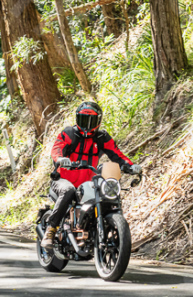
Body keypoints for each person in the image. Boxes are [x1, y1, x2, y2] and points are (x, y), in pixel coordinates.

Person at [41, 101, 141, 249]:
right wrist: (60, 159)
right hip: (63, 179)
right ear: (77, 118)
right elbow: (56, 149)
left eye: (91, 120)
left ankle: (111, 231)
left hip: (89, 182)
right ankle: (50, 230)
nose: (87, 125)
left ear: (98, 121)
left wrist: (130, 166)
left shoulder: (102, 137)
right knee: (68, 190)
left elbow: (117, 155)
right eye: (83, 119)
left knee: (108, 193)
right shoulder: (68, 133)